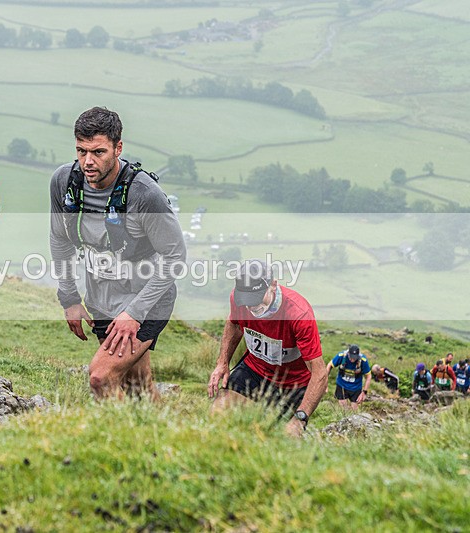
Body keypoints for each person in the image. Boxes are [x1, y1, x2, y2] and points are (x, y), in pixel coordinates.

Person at [49, 107, 186, 401]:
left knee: (101, 377)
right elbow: (59, 238)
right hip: (102, 298)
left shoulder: (144, 195)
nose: (88, 161)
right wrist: (70, 298)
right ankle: (169, 438)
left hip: (148, 300)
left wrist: (134, 314)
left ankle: (120, 444)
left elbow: (174, 257)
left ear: (118, 147)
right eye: (81, 151)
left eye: (98, 152)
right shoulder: (64, 182)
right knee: (138, 386)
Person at [207, 260, 327, 438]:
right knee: (217, 415)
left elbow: (320, 374)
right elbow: (234, 324)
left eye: (255, 299)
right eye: (246, 301)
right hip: (255, 370)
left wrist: (300, 418)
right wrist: (222, 362)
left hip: (292, 383)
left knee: (283, 437)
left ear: (273, 285)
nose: (251, 307)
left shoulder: (299, 314)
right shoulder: (238, 299)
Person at [326, 344, 371, 410]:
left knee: (354, 410)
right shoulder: (341, 356)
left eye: (354, 358)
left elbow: (368, 376)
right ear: (348, 353)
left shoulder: (363, 360)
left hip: (356, 387)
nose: (352, 360)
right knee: (343, 409)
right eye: (351, 357)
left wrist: (364, 392)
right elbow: (329, 365)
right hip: (342, 385)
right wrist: (325, 382)